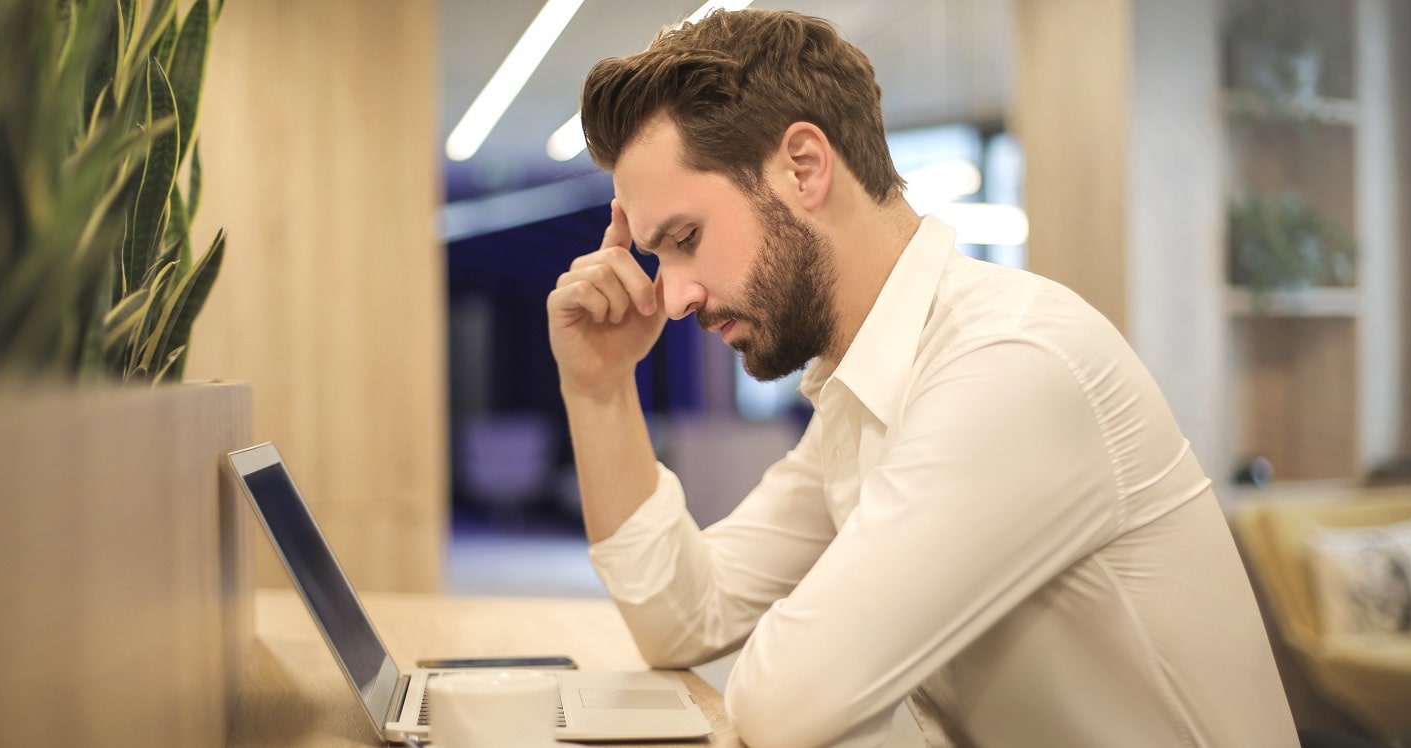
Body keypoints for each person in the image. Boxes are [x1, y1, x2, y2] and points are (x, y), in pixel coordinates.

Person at [546, 9, 1297, 747]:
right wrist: (600, 389)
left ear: (803, 166)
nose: (672, 298)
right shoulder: (864, 391)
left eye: (685, 239)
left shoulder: (1011, 365)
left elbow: (788, 706)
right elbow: (684, 618)